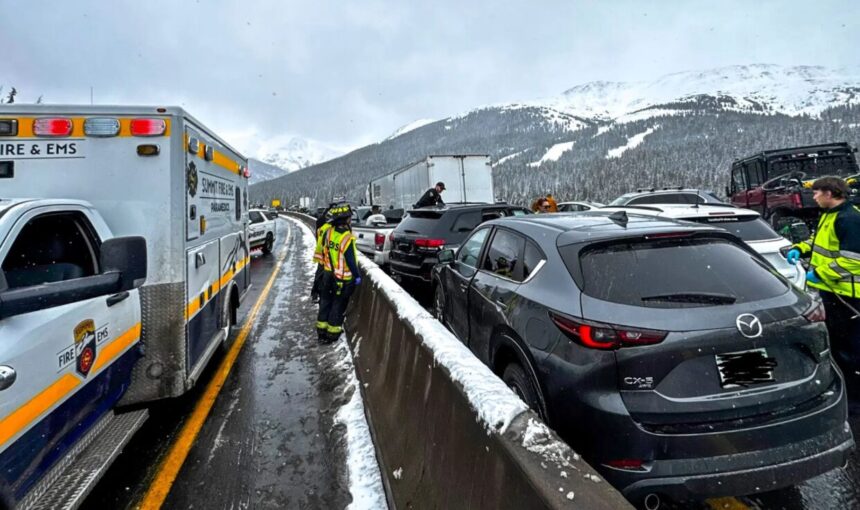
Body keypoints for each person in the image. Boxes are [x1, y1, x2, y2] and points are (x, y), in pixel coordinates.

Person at [786, 176, 860, 381]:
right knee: (836, 342)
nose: (814, 197)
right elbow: (818, 240)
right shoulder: (829, 214)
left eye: (817, 193)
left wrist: (820, 273)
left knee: (850, 347)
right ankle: (842, 380)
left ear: (829, 193)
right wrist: (800, 248)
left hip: (849, 295)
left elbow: (854, 260)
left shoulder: (849, 219)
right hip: (832, 290)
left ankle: (852, 389)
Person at [315, 203, 362, 343]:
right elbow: (351, 260)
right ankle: (332, 333)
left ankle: (321, 330)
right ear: (345, 220)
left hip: (327, 273)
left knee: (325, 301)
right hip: (341, 278)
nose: (350, 220)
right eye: (349, 218)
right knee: (338, 303)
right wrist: (357, 276)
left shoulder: (328, 232)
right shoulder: (347, 237)